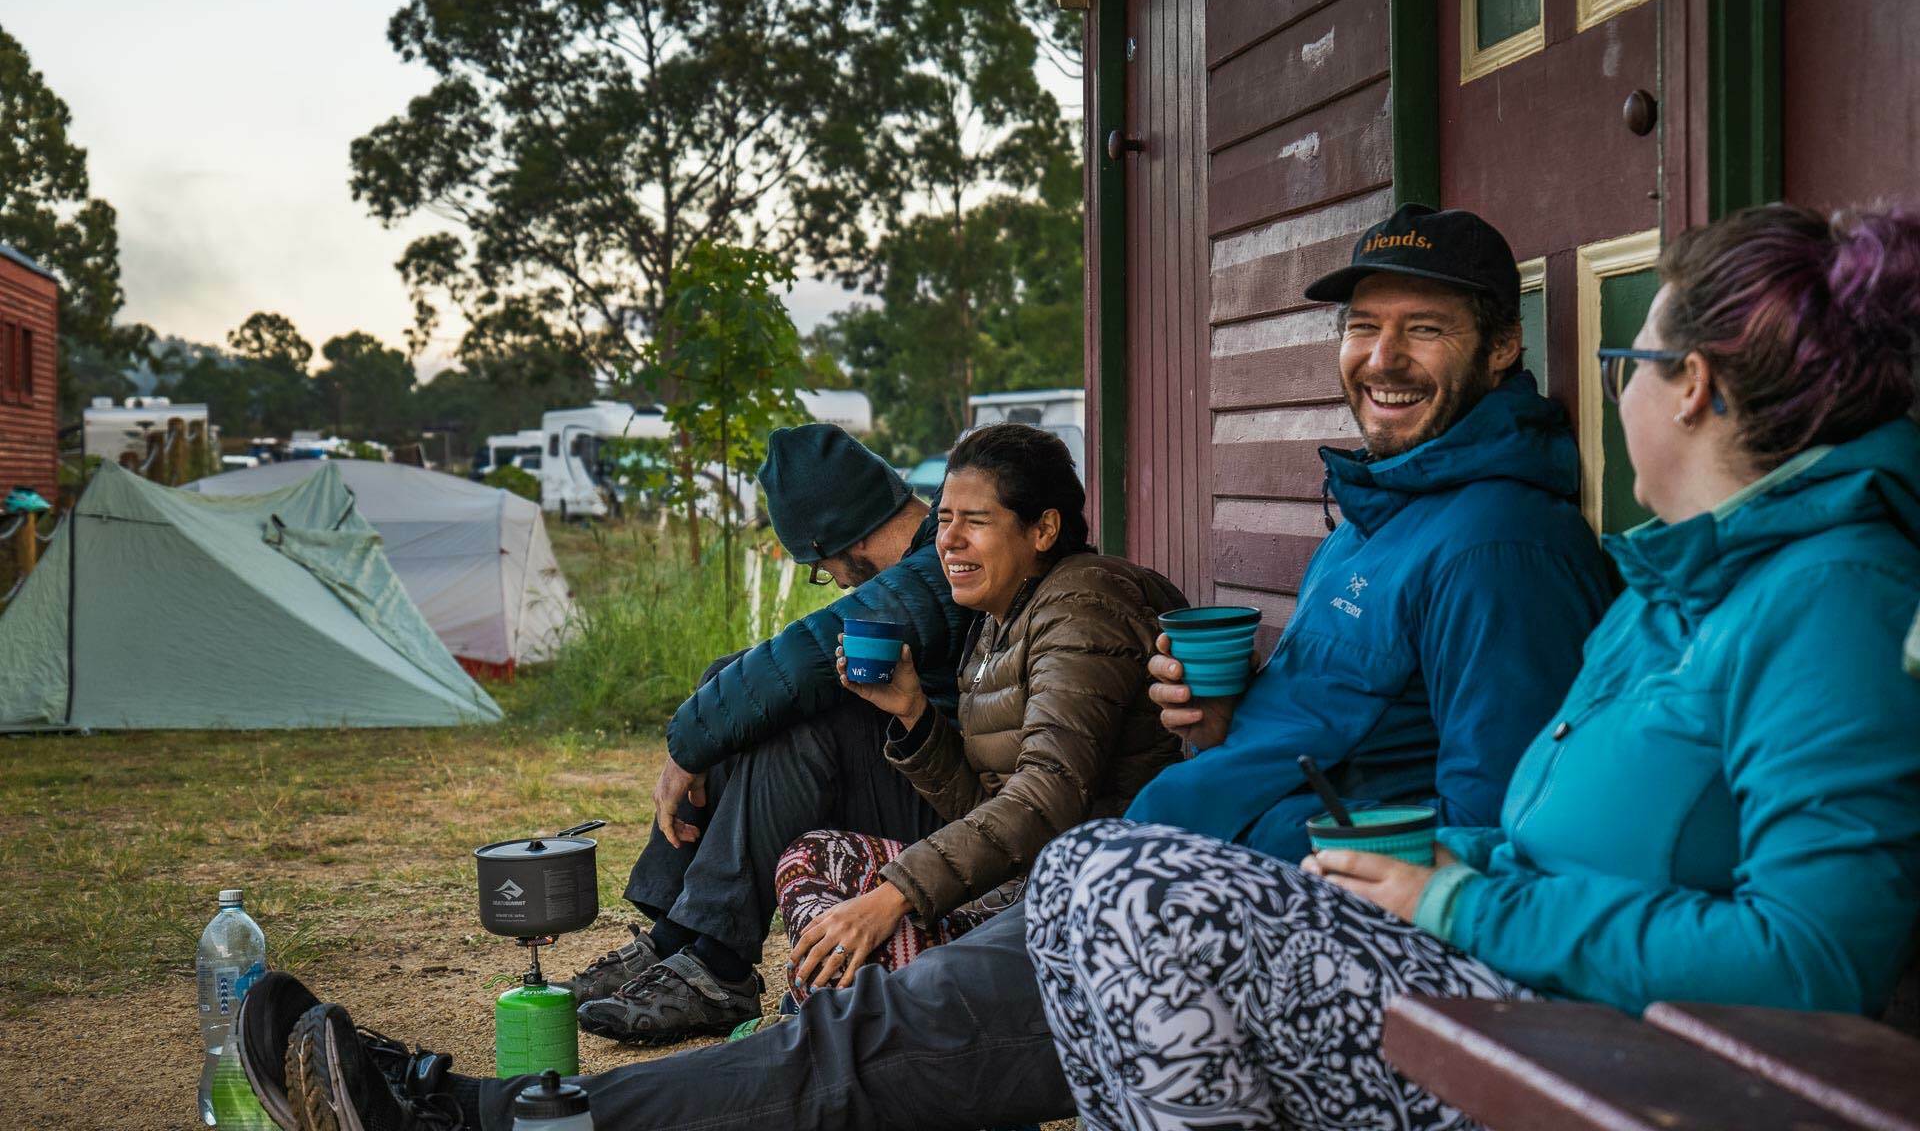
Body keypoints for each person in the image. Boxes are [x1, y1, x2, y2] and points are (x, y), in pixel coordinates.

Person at [233, 203, 1616, 1131]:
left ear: (1499, 347)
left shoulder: (1495, 547)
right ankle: (508, 1088)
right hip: (1155, 881)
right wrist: (1219, 729)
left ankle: (473, 1115)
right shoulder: (1385, 521)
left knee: (858, 1053)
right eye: (1362, 326)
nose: (1380, 359)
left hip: (1219, 928)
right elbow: (1350, 743)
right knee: (862, 1044)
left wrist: (1232, 851)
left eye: (1423, 330)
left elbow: (1497, 845)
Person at [1025, 202, 1920, 1130]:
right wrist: (1454, 863)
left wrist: (1466, 901)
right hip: (1518, 993)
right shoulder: (1675, 587)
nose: (1611, 397)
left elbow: (1815, 962)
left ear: (1688, 386)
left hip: (1602, 1052)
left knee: (1126, 891)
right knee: (1076, 873)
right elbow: (1535, 843)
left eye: (1624, 367)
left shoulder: (1839, 598)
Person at [568, 422, 974, 1043]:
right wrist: (708, 720)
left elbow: (809, 655)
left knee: (790, 716)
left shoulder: (936, 567)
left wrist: (687, 745)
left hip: (960, 807)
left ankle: (718, 967)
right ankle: (675, 938)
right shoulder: (931, 556)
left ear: (842, 535)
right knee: (727, 678)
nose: (833, 579)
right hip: (931, 774)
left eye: (820, 565)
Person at [774, 423, 1184, 1002]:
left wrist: (894, 895)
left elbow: (1048, 798)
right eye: (943, 519)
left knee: (858, 949)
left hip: (1077, 906)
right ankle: (856, 1014)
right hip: (1011, 885)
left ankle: (860, 1028)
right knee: (811, 857)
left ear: (1043, 528)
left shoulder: (1085, 608)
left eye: (977, 521)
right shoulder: (998, 619)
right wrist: (914, 713)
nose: (950, 540)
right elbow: (990, 807)